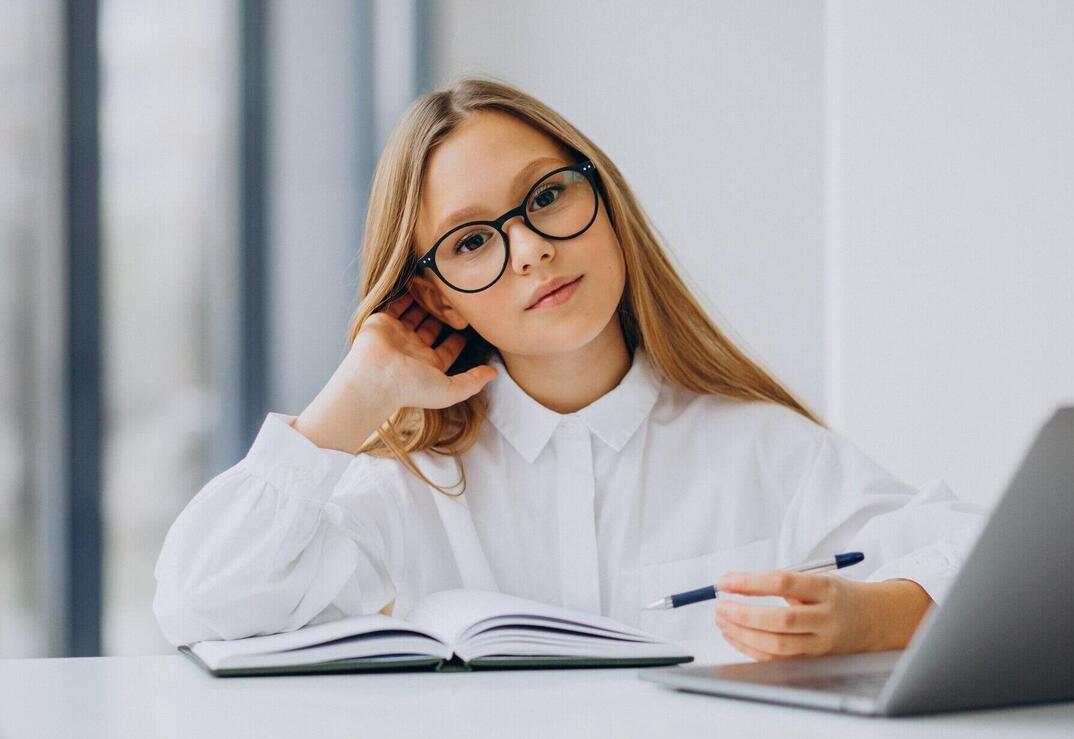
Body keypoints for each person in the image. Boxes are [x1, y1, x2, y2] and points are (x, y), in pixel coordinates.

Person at [153, 78, 985, 664]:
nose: (532, 248)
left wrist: (870, 616)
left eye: (546, 196)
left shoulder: (762, 449)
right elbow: (196, 602)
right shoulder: (405, 491)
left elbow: (984, 554)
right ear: (436, 300)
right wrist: (349, 400)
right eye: (472, 240)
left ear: (603, 201)